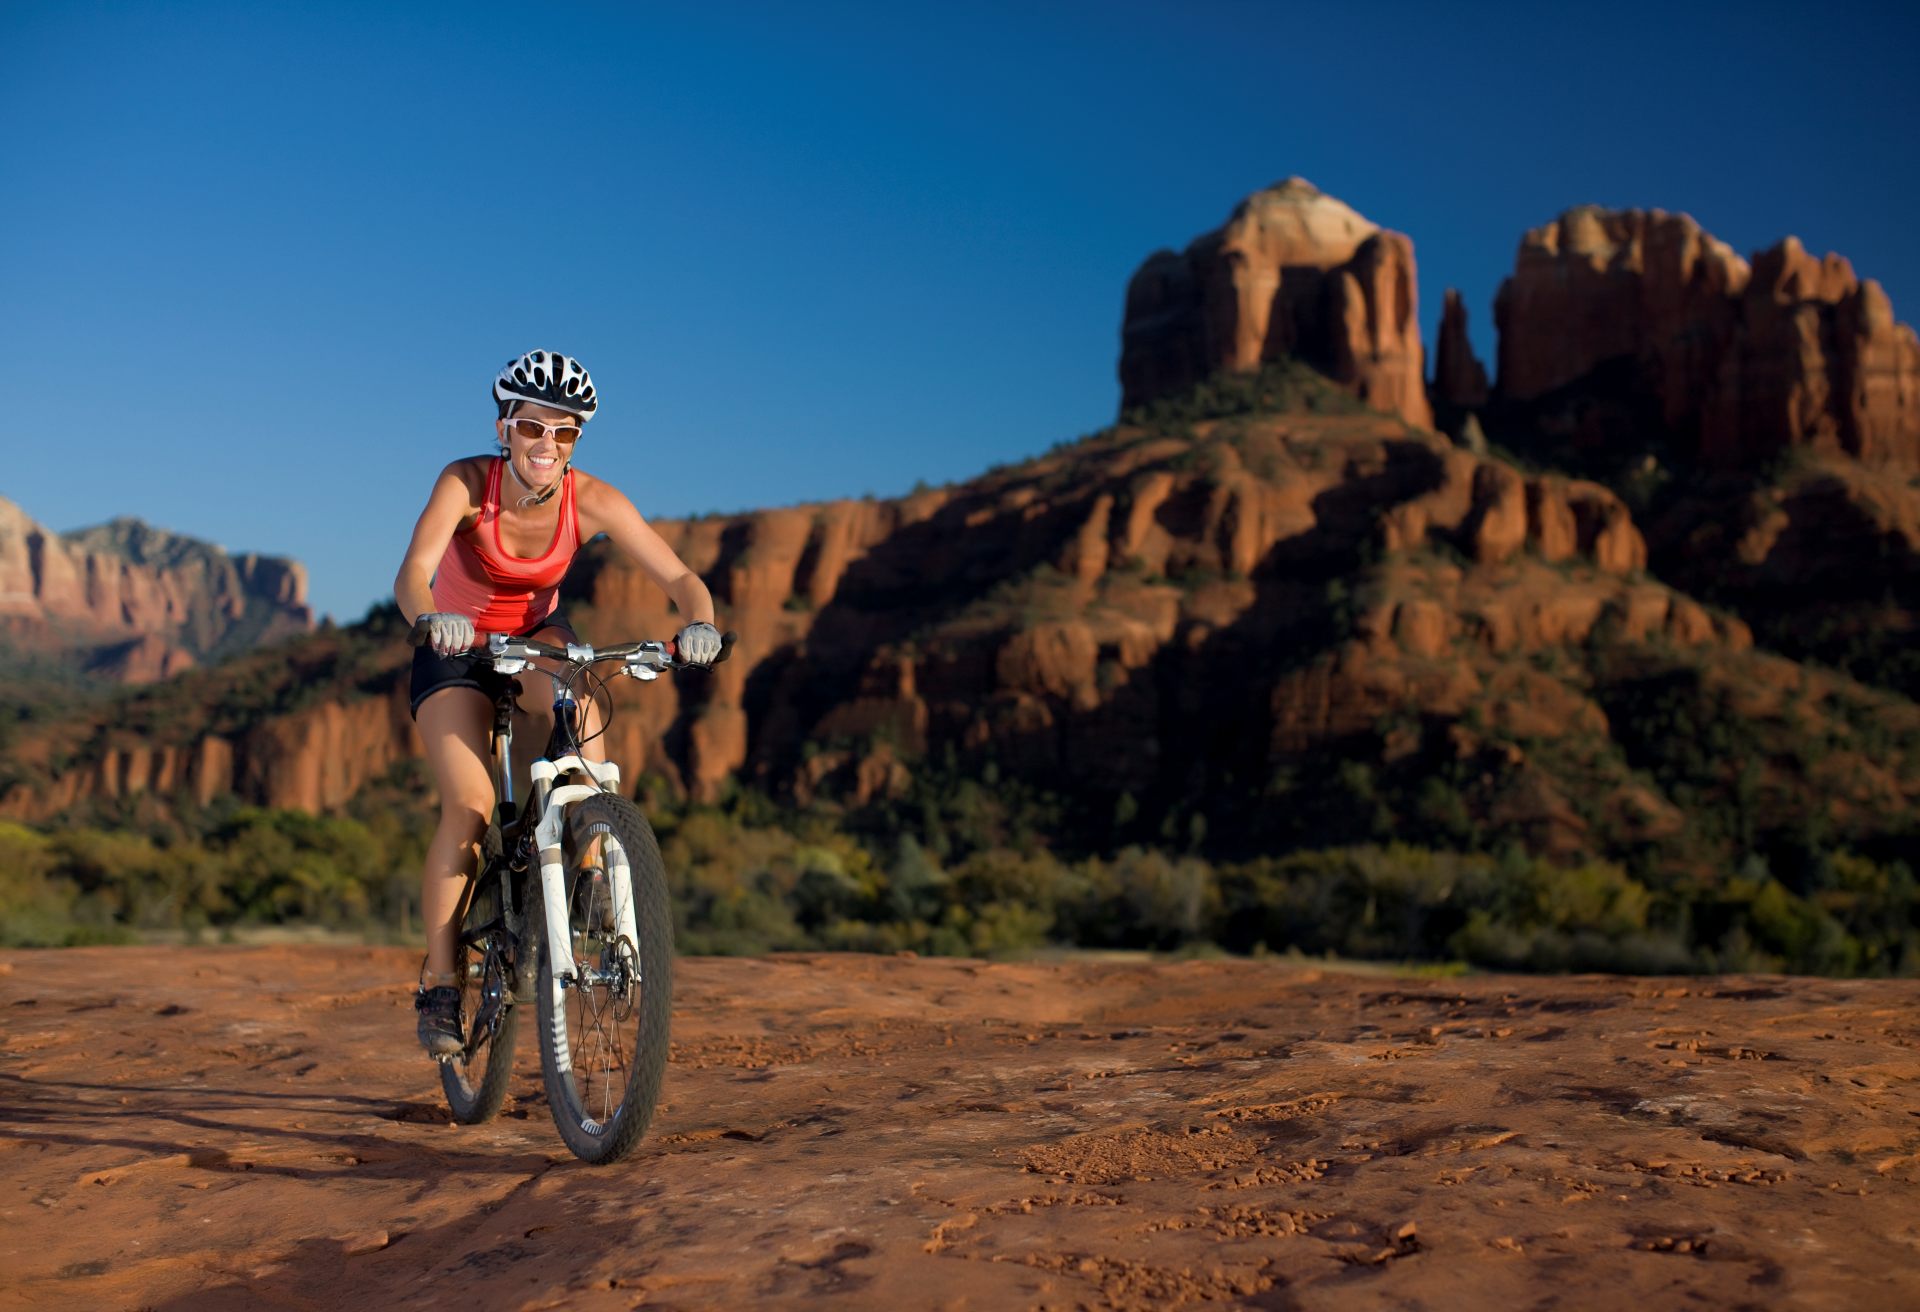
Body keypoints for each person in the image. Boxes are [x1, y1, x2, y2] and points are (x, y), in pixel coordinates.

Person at [394, 349, 721, 1057]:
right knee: (472, 807)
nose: (548, 444)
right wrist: (432, 617)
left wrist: (698, 623)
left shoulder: (594, 498)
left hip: (538, 638)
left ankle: (594, 872)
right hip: (453, 646)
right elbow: (413, 572)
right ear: (504, 428)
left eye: (564, 432)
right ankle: (444, 985)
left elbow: (680, 574)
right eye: (532, 427)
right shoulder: (464, 482)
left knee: (581, 724)